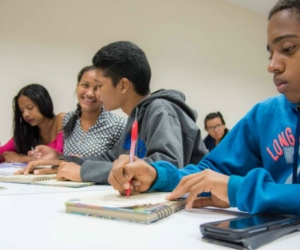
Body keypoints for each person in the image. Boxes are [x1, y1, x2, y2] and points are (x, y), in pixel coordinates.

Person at [107, 0, 300, 217]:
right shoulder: (264, 115)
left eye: (288, 49)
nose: (272, 65)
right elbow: (208, 172)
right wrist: (156, 175)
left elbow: (232, 187)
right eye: (270, 54)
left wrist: (240, 190)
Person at [19, 41, 208, 183]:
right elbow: (112, 158)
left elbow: (165, 167)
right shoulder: (136, 116)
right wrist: (62, 160)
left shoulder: (161, 110)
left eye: (100, 85)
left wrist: (85, 172)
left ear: (123, 85)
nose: (97, 94)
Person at [62, 65, 126, 157]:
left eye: (98, 88)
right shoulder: (67, 119)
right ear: (77, 86)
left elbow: (121, 164)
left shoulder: (118, 125)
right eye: (85, 85)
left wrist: (85, 163)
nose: (90, 94)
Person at [0, 83, 64, 163]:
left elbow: (65, 157)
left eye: (30, 108)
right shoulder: (27, 131)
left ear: (43, 103)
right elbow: (2, 153)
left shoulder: (61, 119)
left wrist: (22, 159)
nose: (25, 114)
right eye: (22, 111)